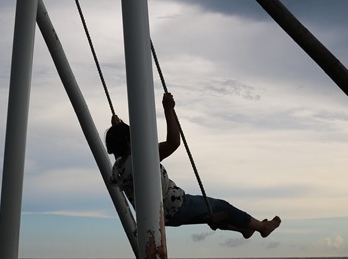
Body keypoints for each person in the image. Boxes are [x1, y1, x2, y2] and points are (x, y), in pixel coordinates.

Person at [106, 92, 281, 238]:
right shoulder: (141, 159)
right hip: (177, 205)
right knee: (221, 206)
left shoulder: (118, 169)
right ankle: (261, 228)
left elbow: (121, 150)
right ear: (129, 142)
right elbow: (174, 142)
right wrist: (169, 109)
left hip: (160, 216)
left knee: (212, 216)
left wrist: (118, 128)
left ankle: (244, 229)